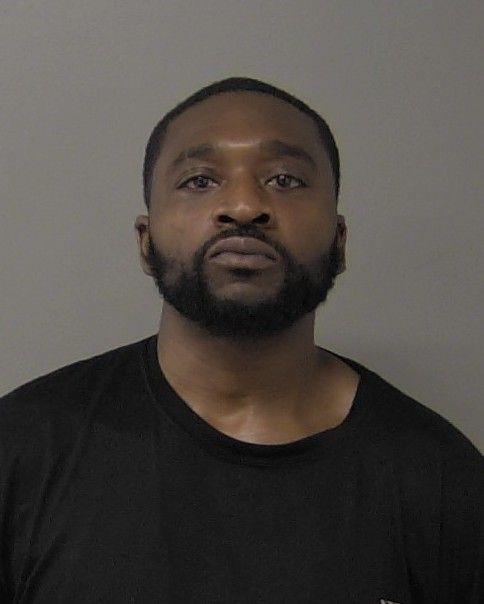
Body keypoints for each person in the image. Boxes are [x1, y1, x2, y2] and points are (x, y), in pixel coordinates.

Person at [0, 77, 482, 603]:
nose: (245, 206)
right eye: (200, 180)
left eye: (285, 180)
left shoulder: (443, 480)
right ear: (145, 241)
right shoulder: (22, 447)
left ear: (339, 241)